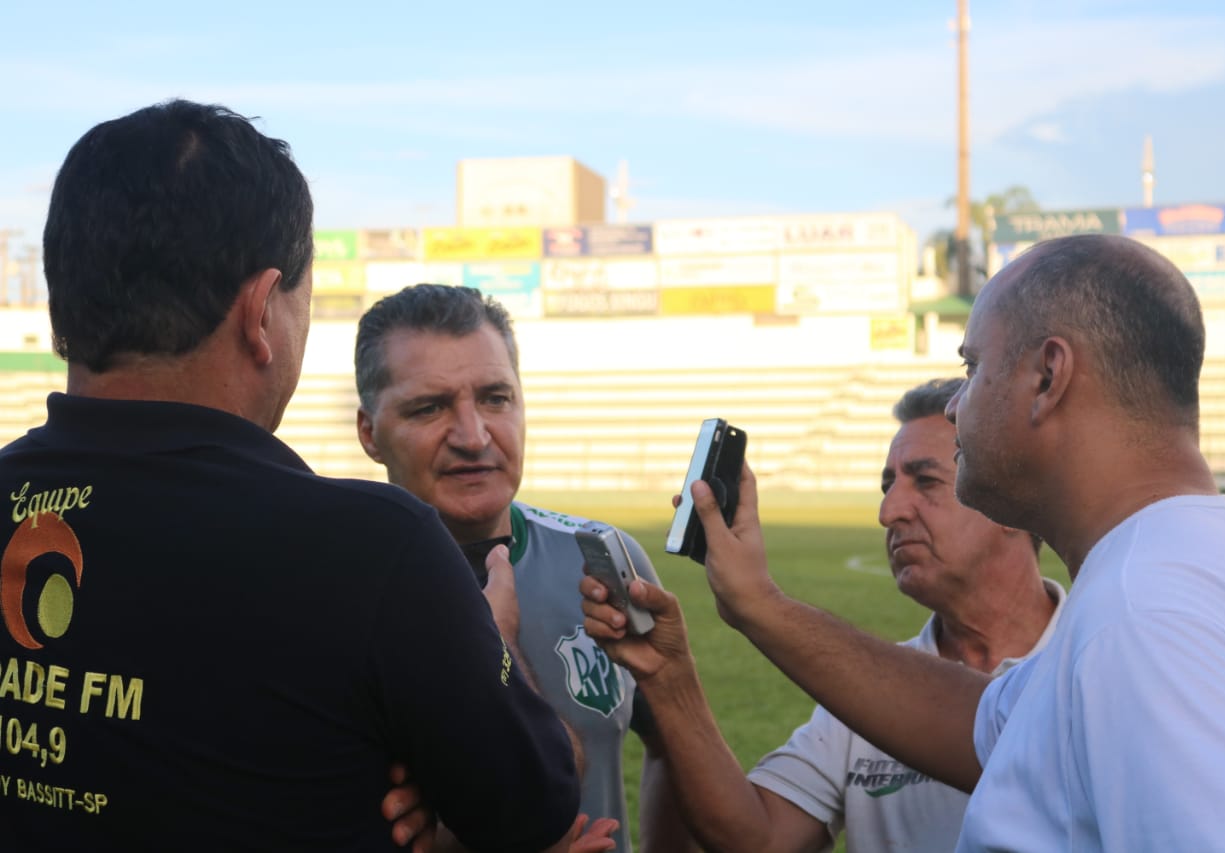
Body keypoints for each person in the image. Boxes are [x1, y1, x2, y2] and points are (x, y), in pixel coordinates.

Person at [0, 99, 579, 852]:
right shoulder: (374, 549)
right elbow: (536, 805)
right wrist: (484, 640)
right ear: (261, 311)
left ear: (61, 313)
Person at [588, 233, 1225, 851]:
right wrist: (756, 605)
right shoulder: (1189, 567)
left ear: (1048, 376)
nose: (958, 401)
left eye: (973, 366)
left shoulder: (1145, 612)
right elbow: (981, 727)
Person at [580, 378, 1064, 852]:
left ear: (1007, 504)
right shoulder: (864, 690)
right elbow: (757, 838)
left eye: (926, 481)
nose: (889, 511)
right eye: (887, 484)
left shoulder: (1099, 658)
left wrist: (758, 603)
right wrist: (669, 675)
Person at [355, 283, 685, 853]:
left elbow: (671, 742)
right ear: (369, 434)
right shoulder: (337, 590)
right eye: (429, 407)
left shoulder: (606, 557)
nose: (474, 436)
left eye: (495, 398)